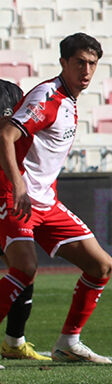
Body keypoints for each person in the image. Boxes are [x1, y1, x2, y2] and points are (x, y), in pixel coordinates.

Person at [0, 33, 112, 363]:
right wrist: (18, 185)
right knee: (24, 268)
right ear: (63, 63)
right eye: (80, 62)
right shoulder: (47, 96)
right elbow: (5, 136)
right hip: (17, 196)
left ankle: (68, 343)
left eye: (92, 64)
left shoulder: (68, 100)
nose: (87, 70)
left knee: (101, 266)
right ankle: (16, 340)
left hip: (45, 202)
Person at [0, 78, 43, 362]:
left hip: (6, 189)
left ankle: (15, 341)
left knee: (23, 264)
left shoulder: (13, 91)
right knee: (23, 264)